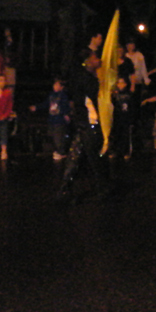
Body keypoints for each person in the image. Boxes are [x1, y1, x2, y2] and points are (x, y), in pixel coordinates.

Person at [57, 48, 110, 203]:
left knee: (76, 156)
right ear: (87, 61)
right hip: (90, 123)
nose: (98, 60)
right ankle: (102, 188)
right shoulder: (88, 79)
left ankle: (65, 188)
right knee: (95, 157)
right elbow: (96, 98)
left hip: (83, 122)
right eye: (95, 58)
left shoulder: (80, 77)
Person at [29, 77, 71, 160]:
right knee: (52, 135)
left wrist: (66, 114)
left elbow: (65, 105)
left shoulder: (63, 96)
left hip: (59, 120)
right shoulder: (51, 95)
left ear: (61, 87)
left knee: (58, 136)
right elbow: (46, 104)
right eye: (54, 84)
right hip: (52, 119)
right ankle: (56, 150)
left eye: (57, 85)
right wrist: (36, 107)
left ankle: (61, 152)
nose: (54, 86)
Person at [110, 74, 136, 159]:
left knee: (126, 136)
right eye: (118, 83)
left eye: (122, 83)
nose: (120, 85)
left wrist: (132, 119)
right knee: (116, 134)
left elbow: (132, 107)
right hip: (117, 117)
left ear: (125, 84)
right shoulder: (115, 94)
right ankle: (115, 151)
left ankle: (126, 152)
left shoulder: (129, 94)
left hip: (126, 118)